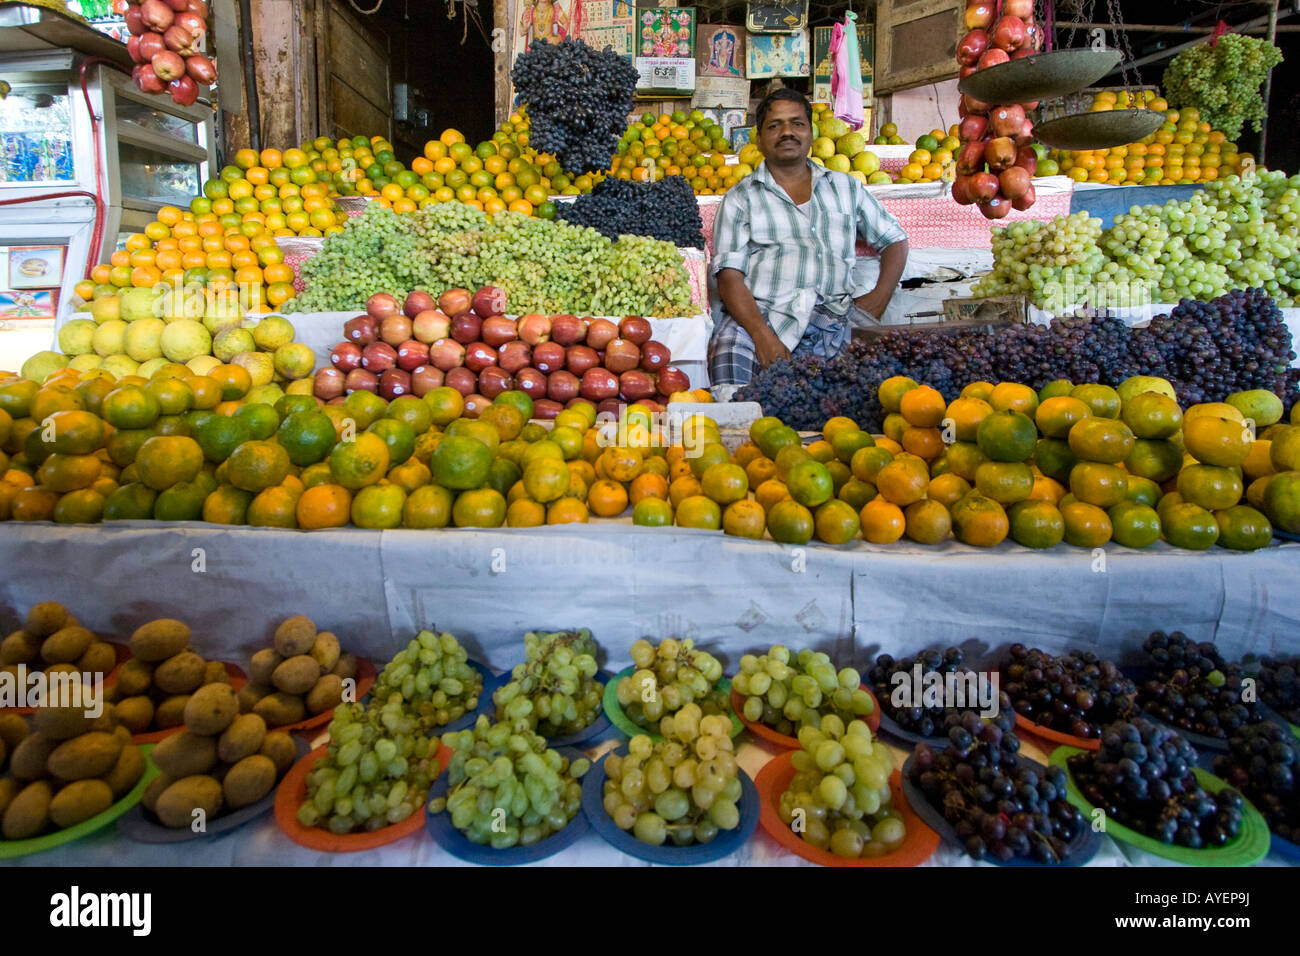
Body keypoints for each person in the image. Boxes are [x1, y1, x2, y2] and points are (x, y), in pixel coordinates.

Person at [708, 88, 909, 386]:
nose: (787, 132)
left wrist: (880, 296)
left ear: (811, 135)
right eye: (774, 125)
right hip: (763, 315)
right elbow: (729, 277)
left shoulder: (845, 187)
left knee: (883, 388)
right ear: (759, 140)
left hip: (837, 315)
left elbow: (895, 240)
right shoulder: (740, 198)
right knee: (728, 365)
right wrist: (763, 337)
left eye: (797, 123)